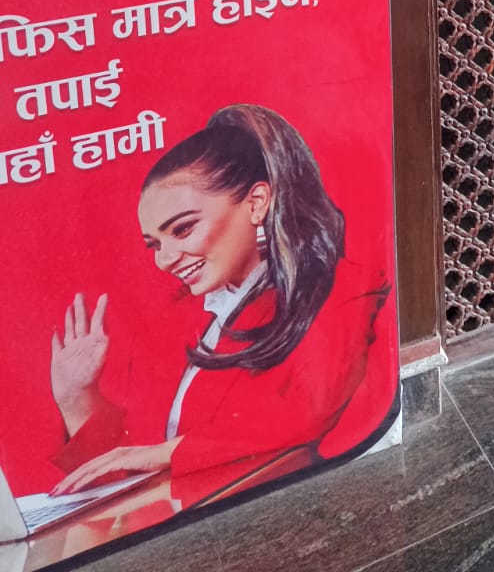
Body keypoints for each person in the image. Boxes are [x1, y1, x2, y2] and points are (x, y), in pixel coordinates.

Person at [48, 104, 389, 496]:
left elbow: (309, 413)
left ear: (256, 203)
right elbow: (127, 470)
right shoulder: (178, 317)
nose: (165, 259)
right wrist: (77, 399)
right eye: (154, 244)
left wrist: (169, 453)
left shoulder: (340, 288)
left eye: (183, 229)